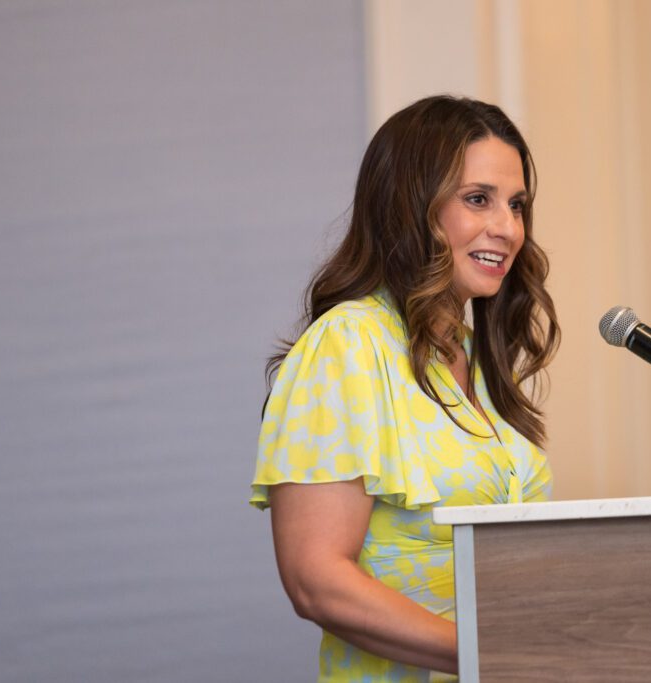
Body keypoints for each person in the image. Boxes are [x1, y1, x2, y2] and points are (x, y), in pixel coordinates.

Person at [250, 95, 560, 681]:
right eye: (478, 200)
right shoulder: (347, 345)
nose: (508, 227)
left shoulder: (476, 359)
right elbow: (316, 580)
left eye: (516, 205)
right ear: (410, 207)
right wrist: (497, 654)